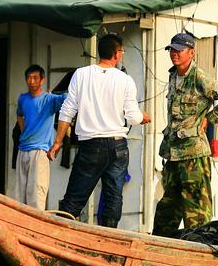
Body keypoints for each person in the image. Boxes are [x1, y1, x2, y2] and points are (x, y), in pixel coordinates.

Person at [48, 34, 151, 228]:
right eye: (121, 51)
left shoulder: (81, 74)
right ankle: (109, 244)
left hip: (90, 146)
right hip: (118, 146)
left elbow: (67, 110)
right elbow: (133, 118)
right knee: (113, 198)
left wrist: (58, 141)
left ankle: (61, 238)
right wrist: (143, 116)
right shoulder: (125, 80)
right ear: (116, 54)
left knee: (74, 199)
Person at [152, 32, 218, 237]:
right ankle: (161, 246)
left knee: (196, 211)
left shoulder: (200, 78)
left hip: (193, 155)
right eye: (172, 50)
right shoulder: (173, 75)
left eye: (179, 50)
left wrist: (211, 119)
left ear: (191, 52)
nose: (174, 54)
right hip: (173, 154)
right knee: (168, 208)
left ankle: (201, 250)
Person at [14, 64, 67, 210]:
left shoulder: (49, 100)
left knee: (36, 194)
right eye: (29, 78)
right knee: (19, 196)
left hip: (40, 151)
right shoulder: (23, 99)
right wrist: (24, 130)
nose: (31, 81)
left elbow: (68, 98)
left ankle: (34, 229)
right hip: (23, 149)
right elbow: (19, 114)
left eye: (35, 78)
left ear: (42, 80)